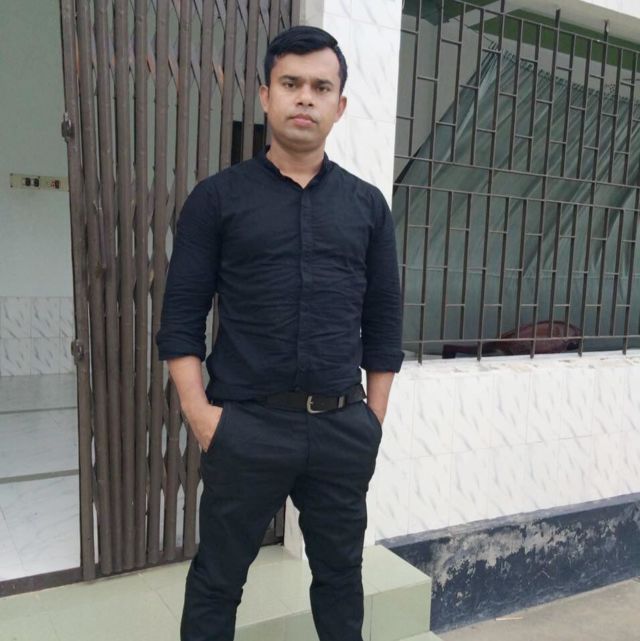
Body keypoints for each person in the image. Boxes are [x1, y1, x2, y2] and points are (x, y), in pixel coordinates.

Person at [156, 24, 404, 641]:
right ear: (266, 96)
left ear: (339, 106)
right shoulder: (217, 199)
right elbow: (181, 317)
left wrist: (372, 420)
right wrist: (202, 416)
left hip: (341, 428)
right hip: (247, 427)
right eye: (291, 83)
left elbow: (383, 320)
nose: (305, 98)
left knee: (341, 578)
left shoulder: (367, 206)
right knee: (217, 580)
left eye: (321, 87)